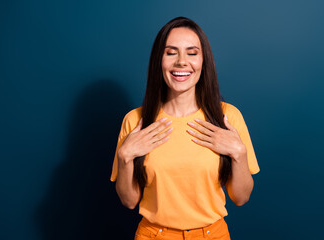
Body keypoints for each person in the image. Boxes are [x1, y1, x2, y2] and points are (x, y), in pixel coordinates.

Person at [110, 16, 260, 240]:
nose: (181, 62)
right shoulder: (136, 121)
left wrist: (239, 153)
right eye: (171, 52)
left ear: (204, 61)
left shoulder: (228, 117)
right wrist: (125, 156)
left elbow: (241, 197)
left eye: (192, 52)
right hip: (154, 235)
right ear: (158, 61)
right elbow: (129, 200)